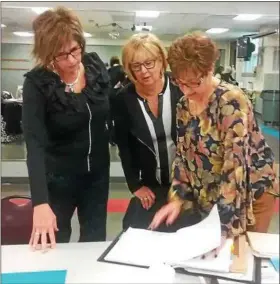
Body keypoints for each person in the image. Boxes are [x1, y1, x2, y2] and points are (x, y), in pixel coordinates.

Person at [149, 32, 278, 239]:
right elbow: (183, 156)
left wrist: (224, 227)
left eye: (194, 83)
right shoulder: (184, 105)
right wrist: (177, 197)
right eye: (179, 83)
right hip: (210, 193)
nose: (186, 91)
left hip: (250, 193)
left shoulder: (231, 101)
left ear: (210, 69)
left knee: (237, 259)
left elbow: (235, 168)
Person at [22, 7, 110, 250]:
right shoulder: (38, 84)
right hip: (57, 180)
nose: (71, 60)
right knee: (52, 243)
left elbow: (113, 112)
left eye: (74, 50)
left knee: (94, 243)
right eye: (61, 55)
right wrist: (40, 202)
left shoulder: (94, 67)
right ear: (47, 54)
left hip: (97, 178)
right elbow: (34, 144)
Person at [113, 33, 194, 231]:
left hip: (187, 183)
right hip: (152, 184)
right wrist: (135, 185)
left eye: (149, 63)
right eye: (136, 66)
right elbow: (125, 146)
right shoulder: (123, 99)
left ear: (161, 61)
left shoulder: (180, 88)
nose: (144, 72)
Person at [107, 56, 126, 146]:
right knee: (120, 117)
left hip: (109, 96)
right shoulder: (122, 70)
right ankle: (120, 137)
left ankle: (111, 139)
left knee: (110, 117)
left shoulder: (108, 71)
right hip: (120, 95)